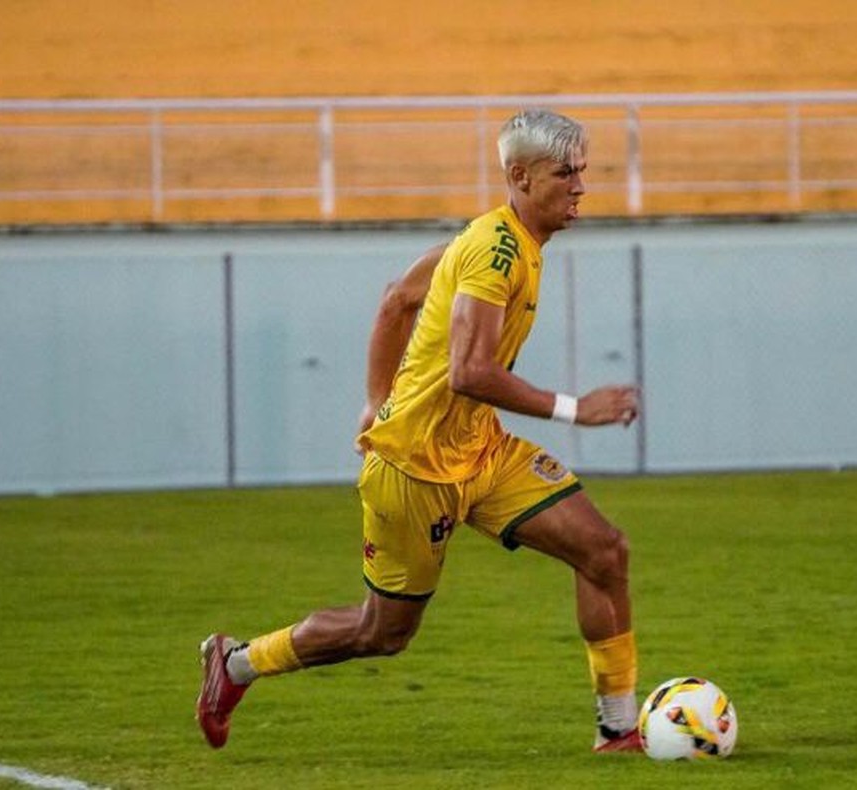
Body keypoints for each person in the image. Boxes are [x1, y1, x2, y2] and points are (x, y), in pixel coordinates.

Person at [196, 109, 643, 752]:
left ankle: (619, 729)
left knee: (604, 551)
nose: (580, 186)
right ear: (519, 175)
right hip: (413, 470)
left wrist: (375, 399)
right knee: (383, 634)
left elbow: (396, 300)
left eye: (583, 171)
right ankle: (236, 663)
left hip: (481, 452)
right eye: (564, 173)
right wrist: (578, 409)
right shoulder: (496, 255)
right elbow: (469, 372)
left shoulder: (498, 239)